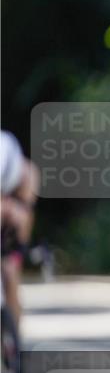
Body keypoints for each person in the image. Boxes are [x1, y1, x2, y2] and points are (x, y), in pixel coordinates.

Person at [1, 130, 38, 322]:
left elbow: (26, 216)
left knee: (10, 269)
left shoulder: (27, 172)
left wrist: (18, 253)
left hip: (10, 231)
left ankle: (14, 339)